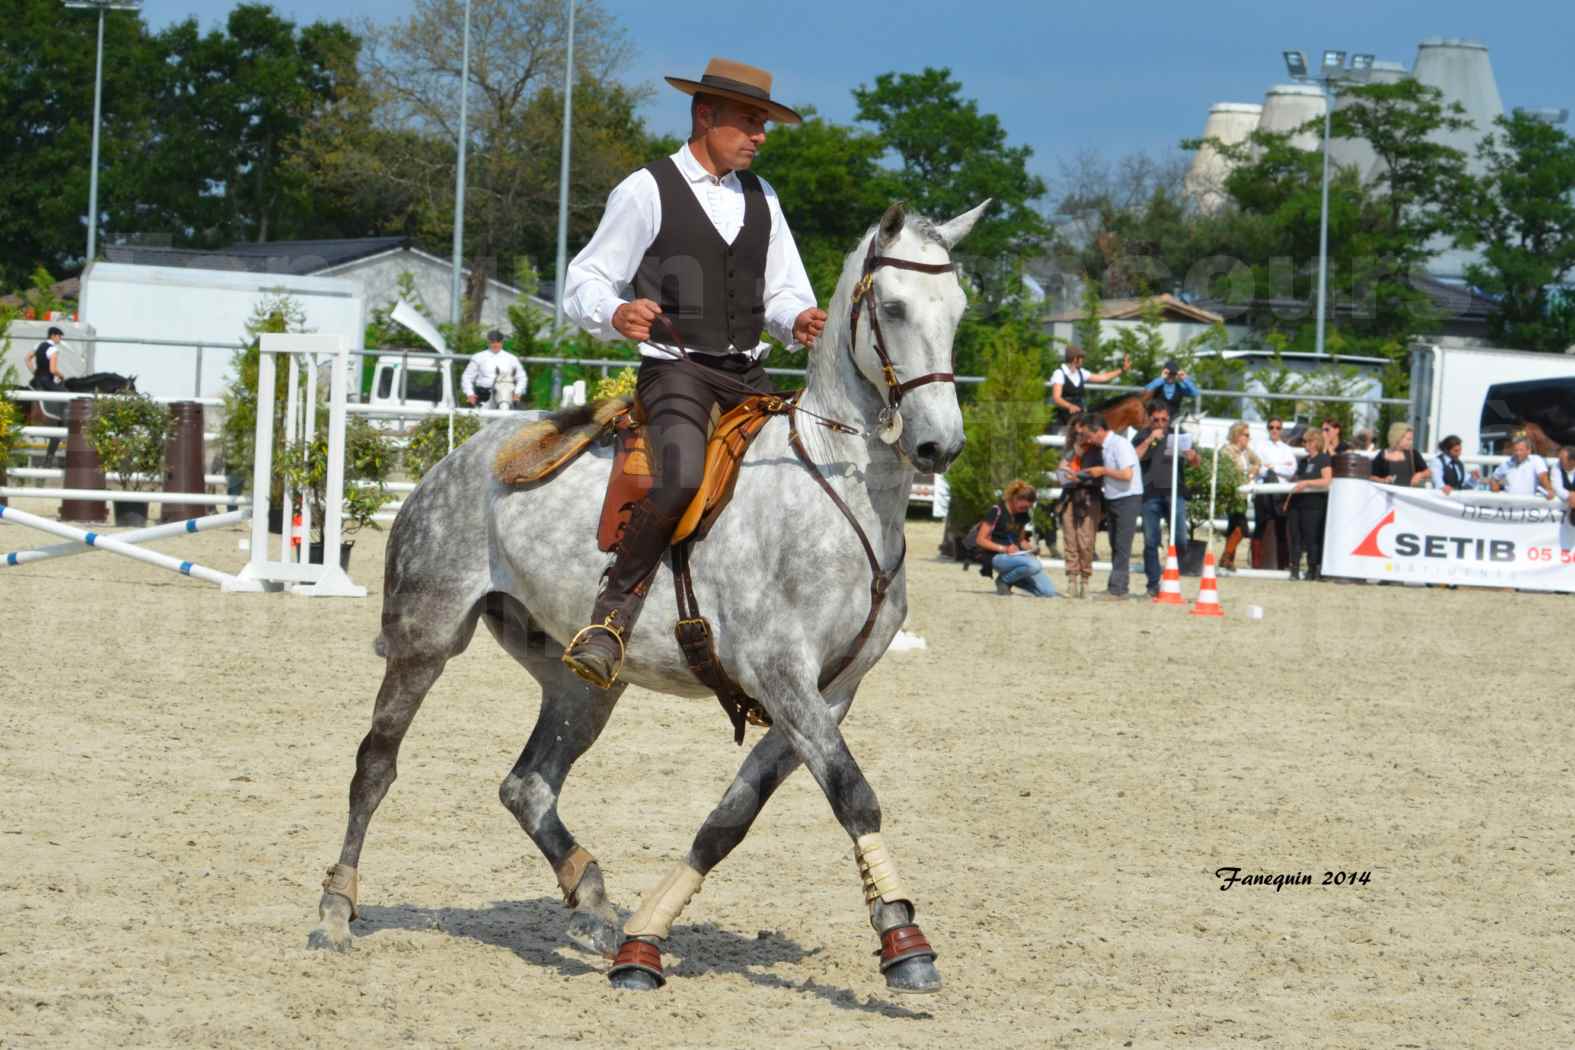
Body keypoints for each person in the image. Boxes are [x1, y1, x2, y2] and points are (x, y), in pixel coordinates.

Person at [557, 57, 824, 688]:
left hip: (748, 374)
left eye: (764, 124)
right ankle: (610, 619)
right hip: (676, 372)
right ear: (705, 116)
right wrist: (616, 309)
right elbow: (584, 280)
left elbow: (783, 292)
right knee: (678, 477)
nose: (760, 136)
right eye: (749, 122)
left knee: (804, 472)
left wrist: (799, 320)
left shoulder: (765, 198)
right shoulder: (646, 189)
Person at [1135, 403, 1200, 597]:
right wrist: (1148, 440)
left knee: (1180, 538)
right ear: (1150, 419)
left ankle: (1172, 574)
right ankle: (1153, 584)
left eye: (1164, 419)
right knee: (1150, 541)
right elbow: (1132, 456)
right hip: (1150, 494)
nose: (1161, 423)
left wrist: (1192, 456)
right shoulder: (1142, 434)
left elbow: (1197, 463)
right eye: (1156, 419)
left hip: (1175, 492)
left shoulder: (1179, 434)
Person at [1083, 411, 1143, 600]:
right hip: (1116, 498)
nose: (1088, 439)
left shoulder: (1120, 444)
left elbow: (1127, 475)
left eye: (1088, 434)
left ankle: (1118, 590)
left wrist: (1103, 471)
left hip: (1127, 498)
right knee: (1115, 544)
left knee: (1122, 545)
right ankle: (1116, 586)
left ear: (1099, 430)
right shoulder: (1108, 446)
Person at [973, 481, 1057, 597]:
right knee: (1034, 565)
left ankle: (1013, 578)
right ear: (1015, 499)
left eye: (1028, 507)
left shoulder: (1023, 514)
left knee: (1048, 593)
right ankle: (1004, 580)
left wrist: (1031, 548)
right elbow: (980, 540)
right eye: (1024, 506)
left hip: (1017, 557)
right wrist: (1005, 548)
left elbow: (1021, 540)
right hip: (996, 556)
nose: (1025, 509)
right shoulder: (997, 511)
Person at [1055, 416, 1103, 598]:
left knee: (1086, 540)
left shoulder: (1097, 450)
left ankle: (1085, 580)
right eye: (1076, 431)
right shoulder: (1070, 450)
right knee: (1070, 539)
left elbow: (1098, 475)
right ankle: (1072, 580)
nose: (1079, 434)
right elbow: (1062, 470)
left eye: (1082, 431)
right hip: (1069, 495)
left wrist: (1078, 476)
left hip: (1089, 497)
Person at [1285, 426, 1333, 581]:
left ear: (1315, 442)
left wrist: (1307, 483)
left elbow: (1327, 481)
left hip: (1314, 505)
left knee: (1312, 538)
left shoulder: (1323, 459)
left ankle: (1313, 569)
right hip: (1297, 503)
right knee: (1295, 537)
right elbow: (1296, 479)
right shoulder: (1303, 461)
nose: (1304, 444)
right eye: (1304, 441)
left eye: (1306, 441)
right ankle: (1294, 569)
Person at [1252, 416, 1297, 566]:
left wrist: (1273, 467)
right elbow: (1259, 468)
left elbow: (1291, 470)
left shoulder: (1286, 448)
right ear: (1268, 429)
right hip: (1263, 490)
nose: (1274, 430)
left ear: (1281, 429)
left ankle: (1283, 563)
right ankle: (1257, 563)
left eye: (1278, 427)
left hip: (1281, 492)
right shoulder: (1260, 446)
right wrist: (1279, 467)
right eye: (1271, 427)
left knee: (1281, 526)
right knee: (1260, 525)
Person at [1049, 346, 1128, 430]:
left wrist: (1122, 370)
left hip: (1079, 414)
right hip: (1063, 415)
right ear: (1075, 359)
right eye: (1081, 358)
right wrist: (1069, 406)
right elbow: (1056, 398)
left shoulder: (1081, 372)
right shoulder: (1059, 373)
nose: (1083, 360)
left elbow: (1103, 377)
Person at [1219, 421, 1262, 571]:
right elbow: (1231, 471)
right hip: (1232, 493)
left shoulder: (1246, 451)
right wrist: (1249, 472)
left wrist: (1254, 469)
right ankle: (1226, 556)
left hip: (1242, 494)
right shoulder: (1227, 451)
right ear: (1237, 435)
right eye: (1246, 435)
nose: (1248, 438)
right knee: (1242, 528)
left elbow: (1258, 462)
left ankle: (1228, 560)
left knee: (1234, 528)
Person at [29, 326, 67, 467]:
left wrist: (35, 372)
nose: (60, 339)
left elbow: (27, 359)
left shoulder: (38, 345)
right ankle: (62, 420)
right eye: (59, 336)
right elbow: (53, 370)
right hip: (46, 381)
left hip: (36, 380)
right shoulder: (53, 350)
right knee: (67, 396)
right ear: (53, 336)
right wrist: (61, 375)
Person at [462, 330, 527, 407]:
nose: (495, 345)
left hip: (506, 396)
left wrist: (517, 393)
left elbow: (522, 377)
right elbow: (467, 377)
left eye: (498, 342)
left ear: (502, 342)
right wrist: (470, 394)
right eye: (492, 342)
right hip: (483, 395)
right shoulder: (478, 357)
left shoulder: (512, 359)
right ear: (488, 342)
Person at [1488, 436, 1553, 497]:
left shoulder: (1536, 460)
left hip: (1529, 505)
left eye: (1521, 450)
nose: (1518, 453)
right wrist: (1496, 495)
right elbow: (1494, 479)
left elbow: (1543, 476)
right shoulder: (1507, 463)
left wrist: (1548, 489)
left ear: (1529, 451)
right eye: (1515, 450)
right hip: (1508, 505)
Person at [1370, 422, 1429, 487]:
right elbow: (1372, 476)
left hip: (1407, 495)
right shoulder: (1383, 454)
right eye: (1408, 439)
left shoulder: (1413, 454)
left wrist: (1419, 475)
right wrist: (1383, 480)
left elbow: (1427, 472)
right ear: (1397, 438)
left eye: (1411, 439)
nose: (1411, 442)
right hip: (1387, 495)